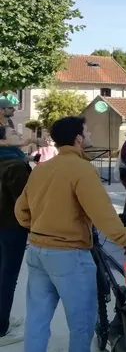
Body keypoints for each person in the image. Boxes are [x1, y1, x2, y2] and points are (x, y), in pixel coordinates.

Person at [15, 116, 126, 352]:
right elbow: (102, 212)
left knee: (37, 319)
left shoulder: (42, 169)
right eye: (87, 132)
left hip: (38, 250)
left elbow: (20, 210)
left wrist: (40, 227)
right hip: (69, 253)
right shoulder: (81, 169)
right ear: (78, 138)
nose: (89, 136)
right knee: (81, 323)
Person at [0, 126, 31, 346]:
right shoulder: (16, 165)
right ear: (2, 142)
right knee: (7, 278)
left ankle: (2, 318)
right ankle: (2, 329)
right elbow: (25, 202)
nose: (19, 136)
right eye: (13, 135)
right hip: (12, 227)